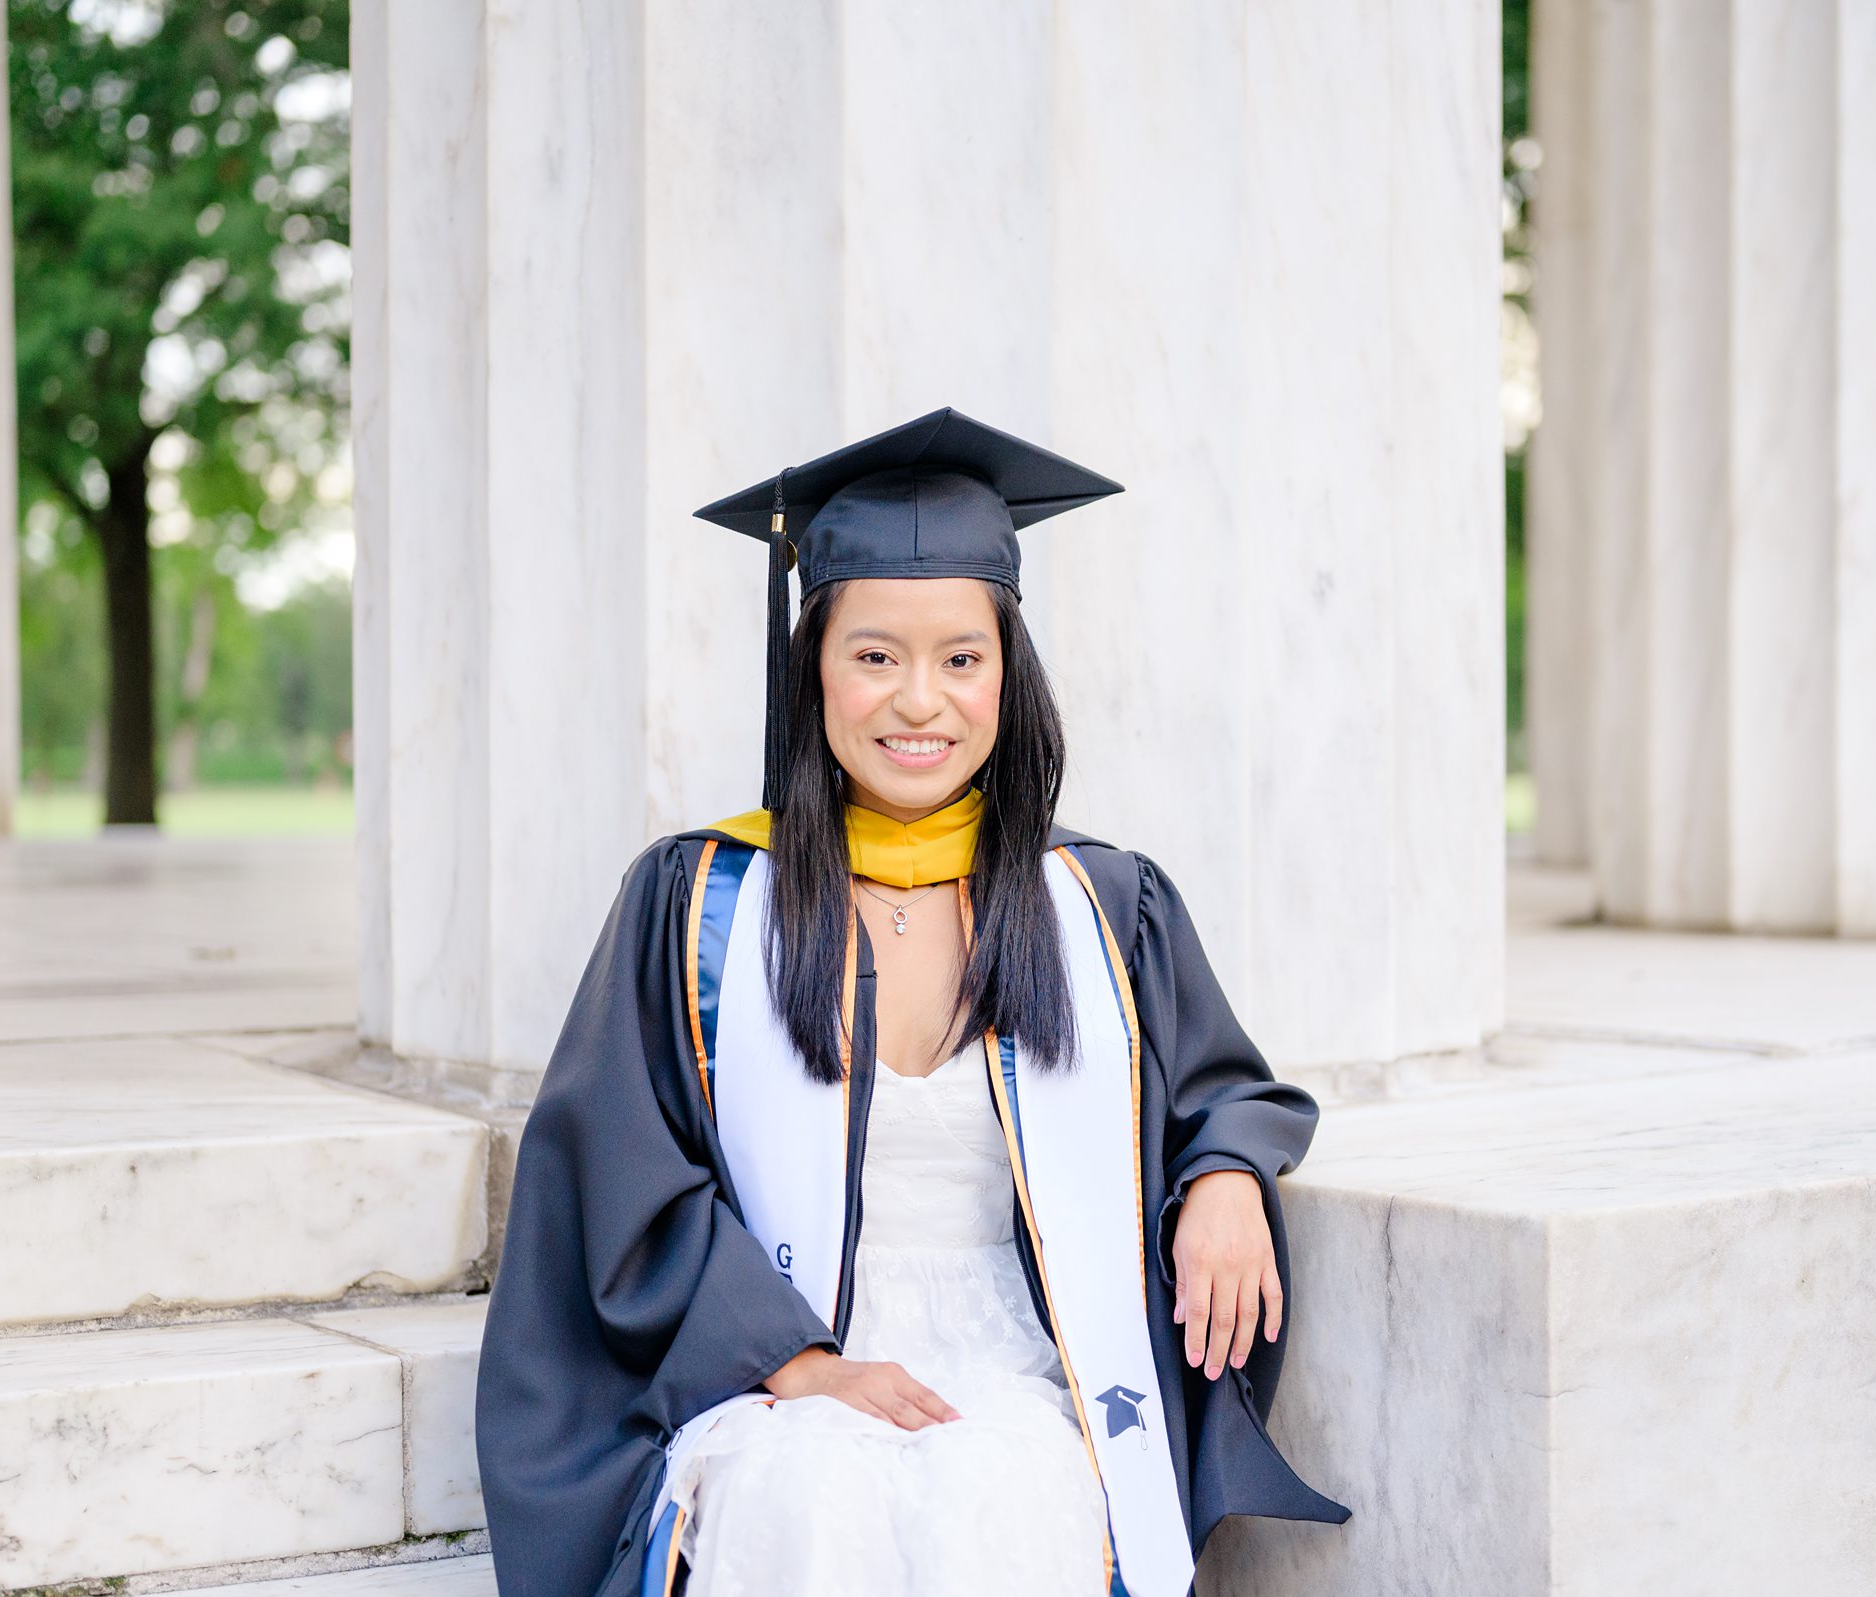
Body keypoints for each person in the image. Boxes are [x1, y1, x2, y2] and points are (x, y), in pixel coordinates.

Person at [474, 406, 1349, 1597]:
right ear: (814, 670)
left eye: (962, 658)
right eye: (875, 655)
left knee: (1012, 1492)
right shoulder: (697, 902)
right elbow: (616, 1171)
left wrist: (1228, 1177)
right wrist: (794, 1361)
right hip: (774, 1355)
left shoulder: (1099, 904)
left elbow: (1221, 1088)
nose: (920, 702)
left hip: (1016, 1348)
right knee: (809, 1492)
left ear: (1008, 673)